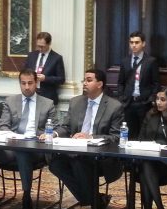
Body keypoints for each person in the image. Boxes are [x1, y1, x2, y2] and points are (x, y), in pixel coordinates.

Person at [0, 68, 59, 209]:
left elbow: (59, 127)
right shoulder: (10, 101)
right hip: (12, 146)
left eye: (30, 83)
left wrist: (50, 134)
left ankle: (26, 195)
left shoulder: (47, 103)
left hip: (36, 147)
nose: (26, 87)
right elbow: (3, 126)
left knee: (23, 151)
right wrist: (10, 135)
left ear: (36, 83)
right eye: (23, 83)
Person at [49, 69, 124, 208]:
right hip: (75, 150)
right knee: (55, 164)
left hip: (100, 156)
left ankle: (91, 200)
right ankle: (95, 200)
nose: (84, 83)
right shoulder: (75, 102)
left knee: (78, 162)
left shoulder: (114, 106)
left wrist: (90, 137)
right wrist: (54, 134)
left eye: (89, 80)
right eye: (84, 80)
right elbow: (65, 126)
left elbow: (116, 137)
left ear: (100, 84)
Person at [118, 31, 160, 140]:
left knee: (144, 133)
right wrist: (121, 97)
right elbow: (120, 82)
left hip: (144, 103)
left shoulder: (151, 61)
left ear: (143, 44)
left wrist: (151, 99)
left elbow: (156, 83)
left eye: (137, 42)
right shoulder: (125, 61)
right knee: (129, 133)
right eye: (131, 42)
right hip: (128, 103)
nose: (134, 45)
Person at [24, 32, 65, 105]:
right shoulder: (31, 55)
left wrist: (46, 78)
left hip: (47, 97)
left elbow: (61, 79)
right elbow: (24, 72)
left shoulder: (57, 58)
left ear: (49, 44)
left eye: (42, 46)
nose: (40, 49)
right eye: (38, 46)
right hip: (30, 95)